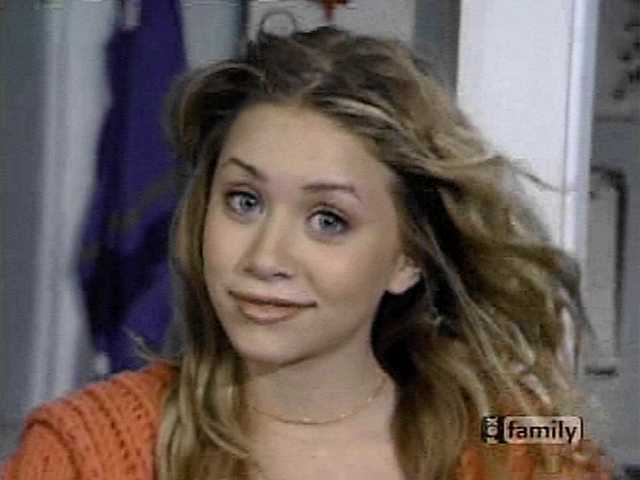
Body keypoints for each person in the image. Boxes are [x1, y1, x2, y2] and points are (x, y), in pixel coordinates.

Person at [1, 27, 615, 480]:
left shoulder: (524, 439)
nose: (265, 257)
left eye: (328, 220)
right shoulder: (82, 446)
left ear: (408, 258)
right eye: (244, 201)